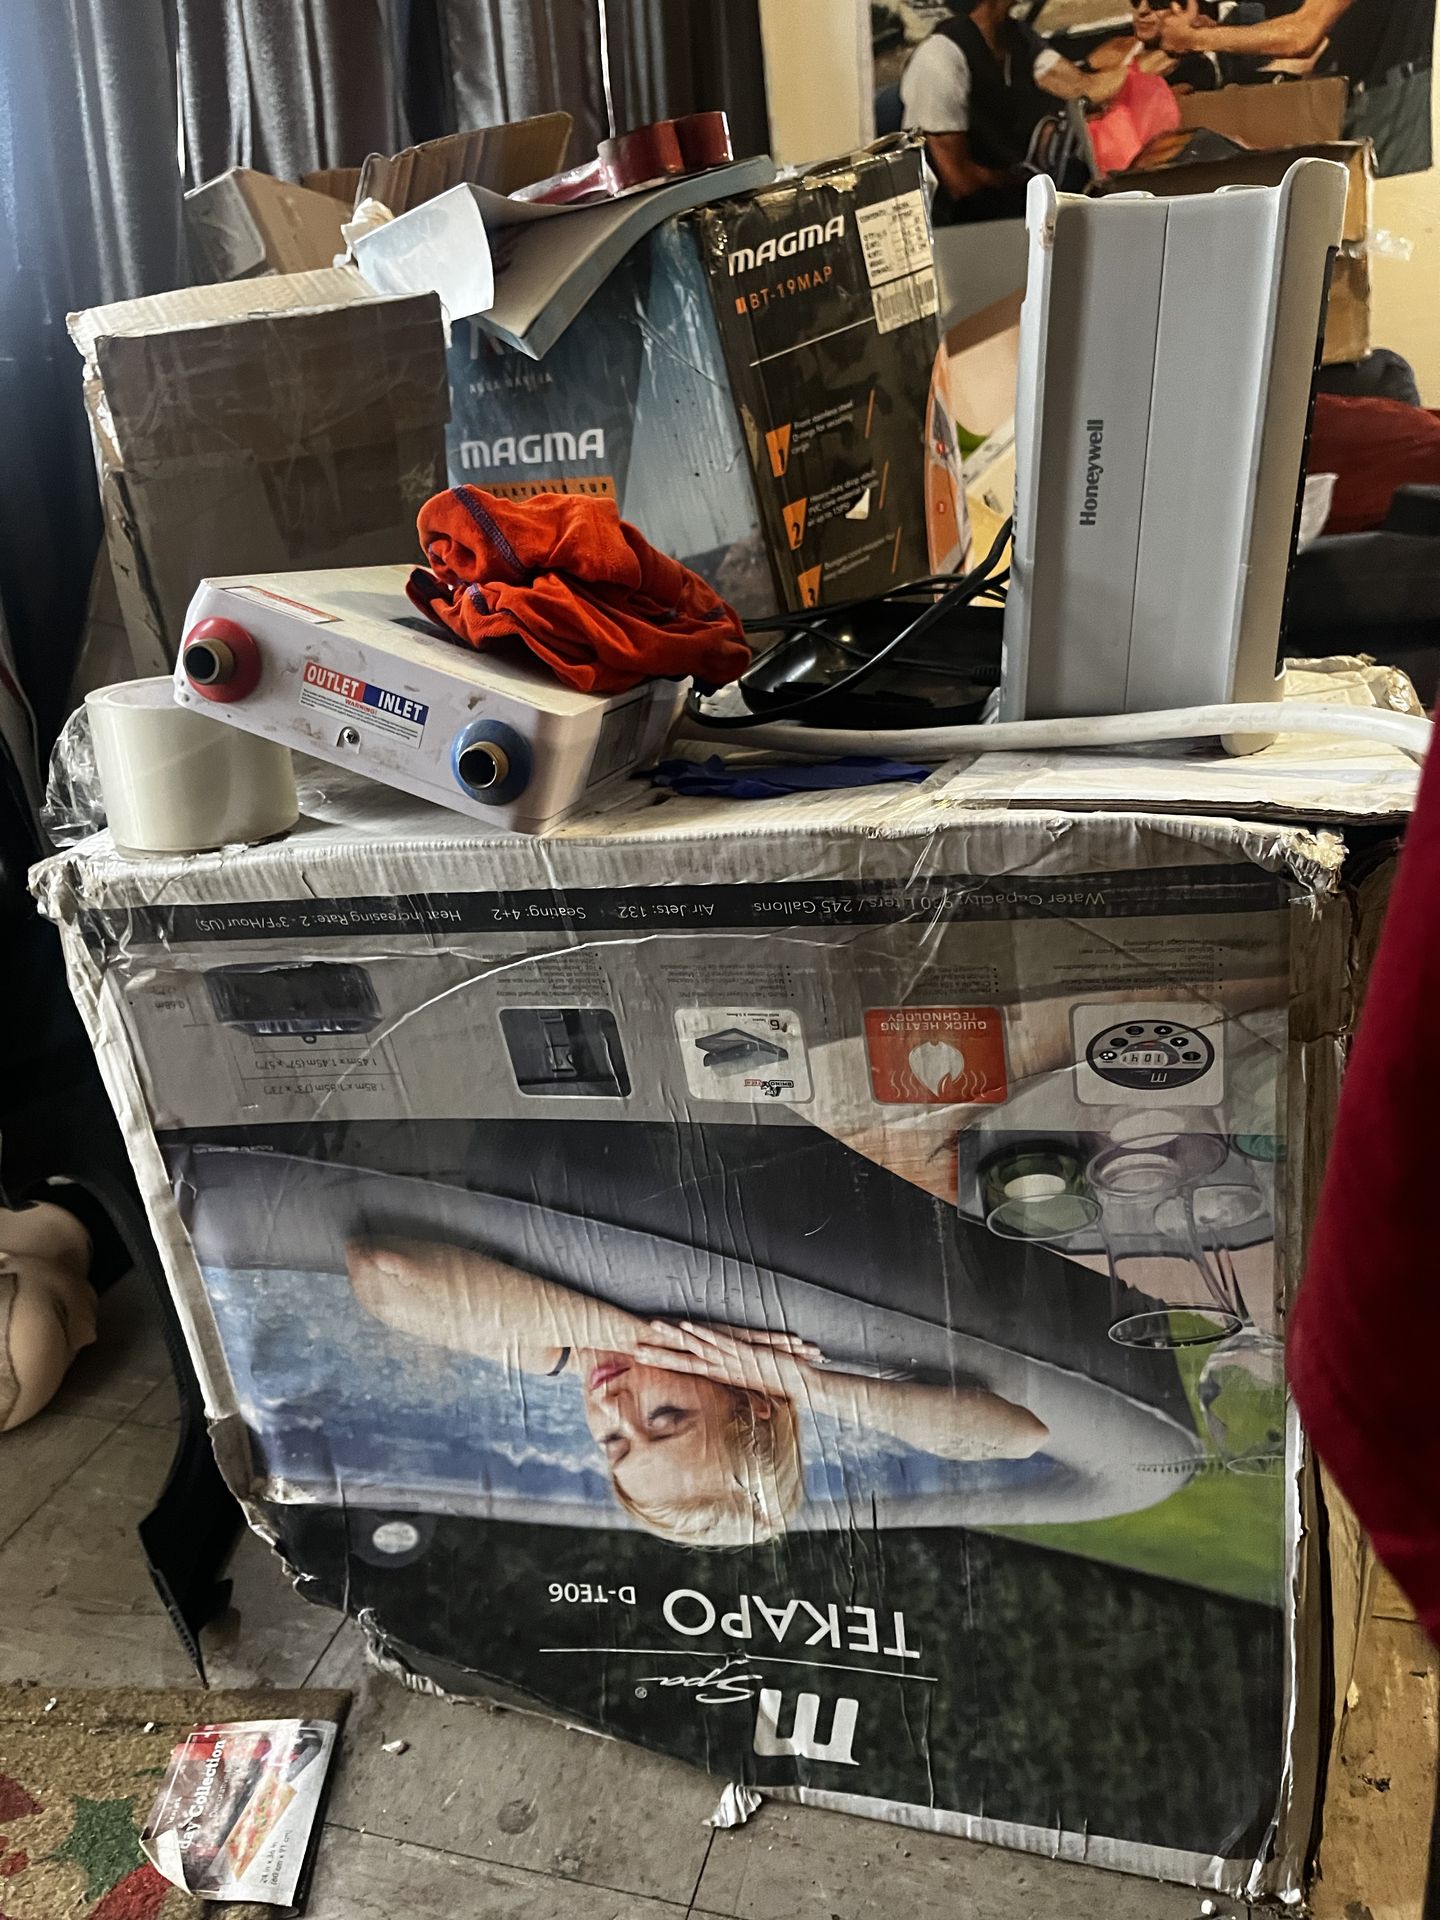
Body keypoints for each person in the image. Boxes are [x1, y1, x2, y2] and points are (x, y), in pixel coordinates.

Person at [346, 1237, 1047, 1548]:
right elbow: (1019, 1436)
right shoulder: (789, 1355)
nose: (613, 1406)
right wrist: (808, 1385)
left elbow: (380, 1271)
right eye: (666, 1416)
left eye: (614, 1442)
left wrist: (636, 1334)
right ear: (748, 1395)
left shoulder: (545, 1346)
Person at [900, 0, 1128, 223]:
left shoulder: (1016, 38)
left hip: (1021, 206)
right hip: (964, 225)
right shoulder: (939, 57)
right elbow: (960, 182)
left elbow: (1081, 87)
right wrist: (1025, 181)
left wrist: (1141, 54)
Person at [1159, 0, 1434, 175]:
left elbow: (1301, 35)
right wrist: (1216, 33)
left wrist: (1195, 39)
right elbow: (1310, 52)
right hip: (1375, 103)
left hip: (1402, 103)